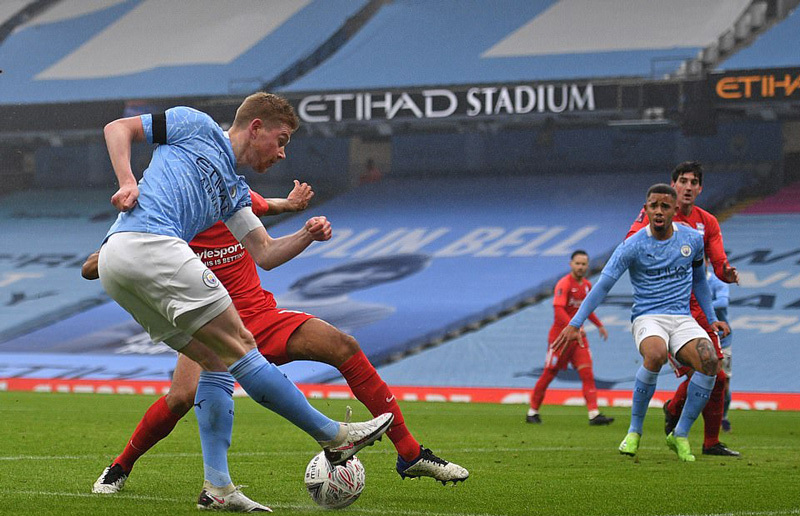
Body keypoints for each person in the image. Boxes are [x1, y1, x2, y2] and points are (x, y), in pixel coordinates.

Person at [93, 93, 393, 512]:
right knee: (242, 350)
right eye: (281, 139)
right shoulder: (194, 124)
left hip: (120, 263)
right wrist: (127, 180)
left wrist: (305, 231)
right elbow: (117, 128)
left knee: (215, 363)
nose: (283, 153)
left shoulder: (233, 190)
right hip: (148, 246)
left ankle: (217, 487)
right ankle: (334, 436)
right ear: (256, 127)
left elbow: (265, 252)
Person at [86, 183, 467, 496]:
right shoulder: (171, 210)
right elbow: (100, 262)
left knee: (343, 345)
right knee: (181, 398)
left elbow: (265, 242)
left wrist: (304, 226)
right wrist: (105, 257)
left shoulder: (230, 193)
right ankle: (121, 466)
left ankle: (410, 453)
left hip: (260, 316)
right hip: (210, 321)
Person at [554, 184, 730, 462]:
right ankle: (634, 431)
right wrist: (576, 322)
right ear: (645, 209)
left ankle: (680, 434)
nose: (658, 211)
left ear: (674, 210)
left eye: (664, 206)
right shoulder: (632, 245)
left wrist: (711, 319)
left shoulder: (692, 241)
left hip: (682, 318)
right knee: (656, 354)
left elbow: (699, 282)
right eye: (653, 206)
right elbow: (602, 286)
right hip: (649, 316)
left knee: (710, 363)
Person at [626, 161, 739, 457]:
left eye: (694, 182)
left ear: (700, 188)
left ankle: (704, 436)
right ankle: (677, 420)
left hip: (699, 309)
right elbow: (631, 245)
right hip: (668, 308)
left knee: (719, 376)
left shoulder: (708, 223)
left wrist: (726, 272)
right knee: (704, 373)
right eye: (683, 181)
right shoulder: (656, 214)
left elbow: (717, 262)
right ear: (673, 185)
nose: (688, 187)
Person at [526, 250, 614, 426]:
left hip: (578, 339)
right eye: (577, 264)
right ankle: (532, 411)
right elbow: (558, 310)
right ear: (571, 264)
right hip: (560, 339)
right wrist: (573, 327)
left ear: (587, 266)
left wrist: (599, 325)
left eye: (583, 264)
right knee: (549, 373)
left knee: (587, 373)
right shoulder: (564, 284)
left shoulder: (588, 285)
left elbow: (586, 309)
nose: (580, 267)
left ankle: (594, 414)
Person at [706, 261, 733, 432]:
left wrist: (699, 306)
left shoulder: (717, 281)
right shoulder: (686, 280)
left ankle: (723, 416)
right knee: (695, 379)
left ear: (707, 261)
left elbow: (722, 303)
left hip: (722, 340)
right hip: (697, 337)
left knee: (724, 382)